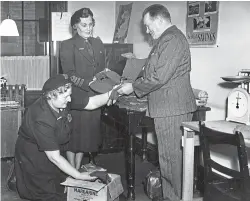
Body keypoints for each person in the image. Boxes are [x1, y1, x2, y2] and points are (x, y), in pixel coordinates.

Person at [117, 4, 197, 201]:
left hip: (172, 109)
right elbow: (152, 73)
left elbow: (159, 77)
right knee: (168, 160)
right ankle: (172, 196)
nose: (146, 30)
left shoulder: (172, 39)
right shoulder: (164, 40)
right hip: (167, 108)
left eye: (148, 25)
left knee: (171, 161)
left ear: (159, 20)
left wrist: (133, 88)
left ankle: (174, 198)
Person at [14, 74, 116, 201]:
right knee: (46, 195)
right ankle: (19, 178)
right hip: (33, 154)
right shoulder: (41, 117)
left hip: (53, 147)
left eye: (69, 95)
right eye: (65, 97)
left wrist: (112, 93)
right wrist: (78, 175)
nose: (69, 100)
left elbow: (92, 103)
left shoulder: (62, 97)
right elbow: (55, 158)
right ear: (51, 96)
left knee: (63, 188)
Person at [60, 7, 106, 168]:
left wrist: (105, 79)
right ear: (75, 26)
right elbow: (70, 74)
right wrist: (89, 83)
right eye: (84, 25)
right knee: (73, 137)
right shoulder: (67, 45)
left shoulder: (98, 43)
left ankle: (77, 168)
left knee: (85, 139)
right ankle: (71, 171)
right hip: (76, 97)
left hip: (96, 96)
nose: (89, 28)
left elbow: (102, 69)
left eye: (91, 24)